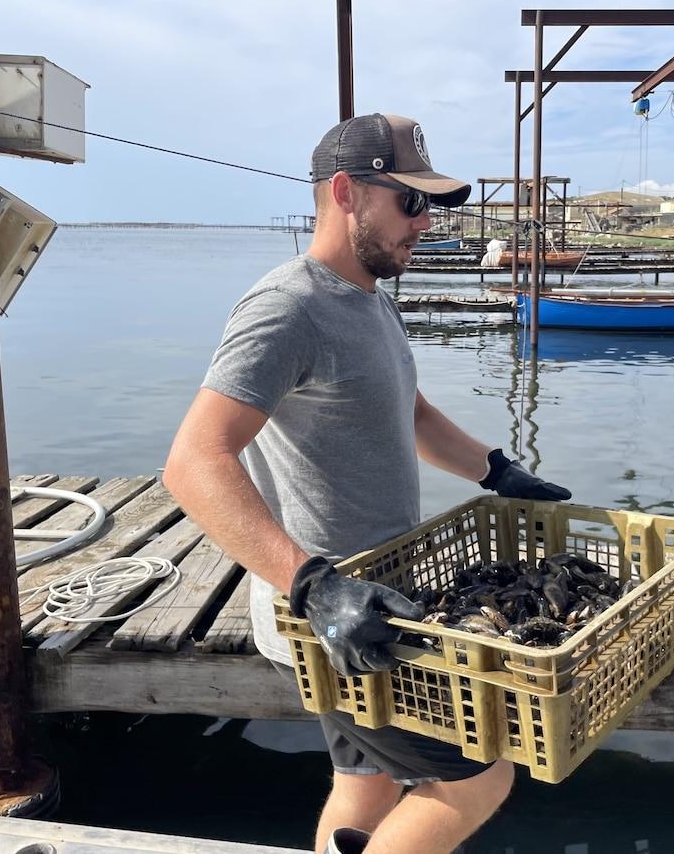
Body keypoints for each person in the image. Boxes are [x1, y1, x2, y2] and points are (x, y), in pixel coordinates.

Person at [163, 113, 570, 854]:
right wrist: (315, 587)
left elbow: (407, 410)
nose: (427, 223)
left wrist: (496, 470)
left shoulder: (373, 297)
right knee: (481, 778)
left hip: (383, 602)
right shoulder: (288, 307)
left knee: (366, 785)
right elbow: (194, 463)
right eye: (411, 203)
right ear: (346, 192)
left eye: (434, 205)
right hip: (334, 616)